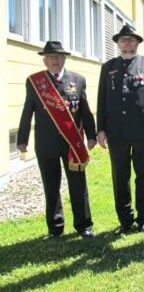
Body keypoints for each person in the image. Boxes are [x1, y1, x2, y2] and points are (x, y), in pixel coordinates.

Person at [17, 41, 96, 238]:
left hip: (72, 143)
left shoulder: (78, 80)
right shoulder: (35, 82)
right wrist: (22, 139)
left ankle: (84, 225)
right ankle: (55, 227)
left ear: (65, 59)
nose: (55, 60)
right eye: (51, 56)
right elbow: (27, 111)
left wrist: (91, 135)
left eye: (59, 56)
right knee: (50, 186)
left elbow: (85, 112)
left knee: (78, 184)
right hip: (46, 143)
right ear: (44, 60)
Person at [97, 25, 144, 235]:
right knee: (120, 176)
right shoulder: (108, 67)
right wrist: (101, 129)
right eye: (124, 40)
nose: (127, 43)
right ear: (118, 43)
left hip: (143, 130)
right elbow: (101, 99)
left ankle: (143, 218)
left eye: (132, 40)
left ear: (137, 43)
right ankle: (125, 220)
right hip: (116, 131)